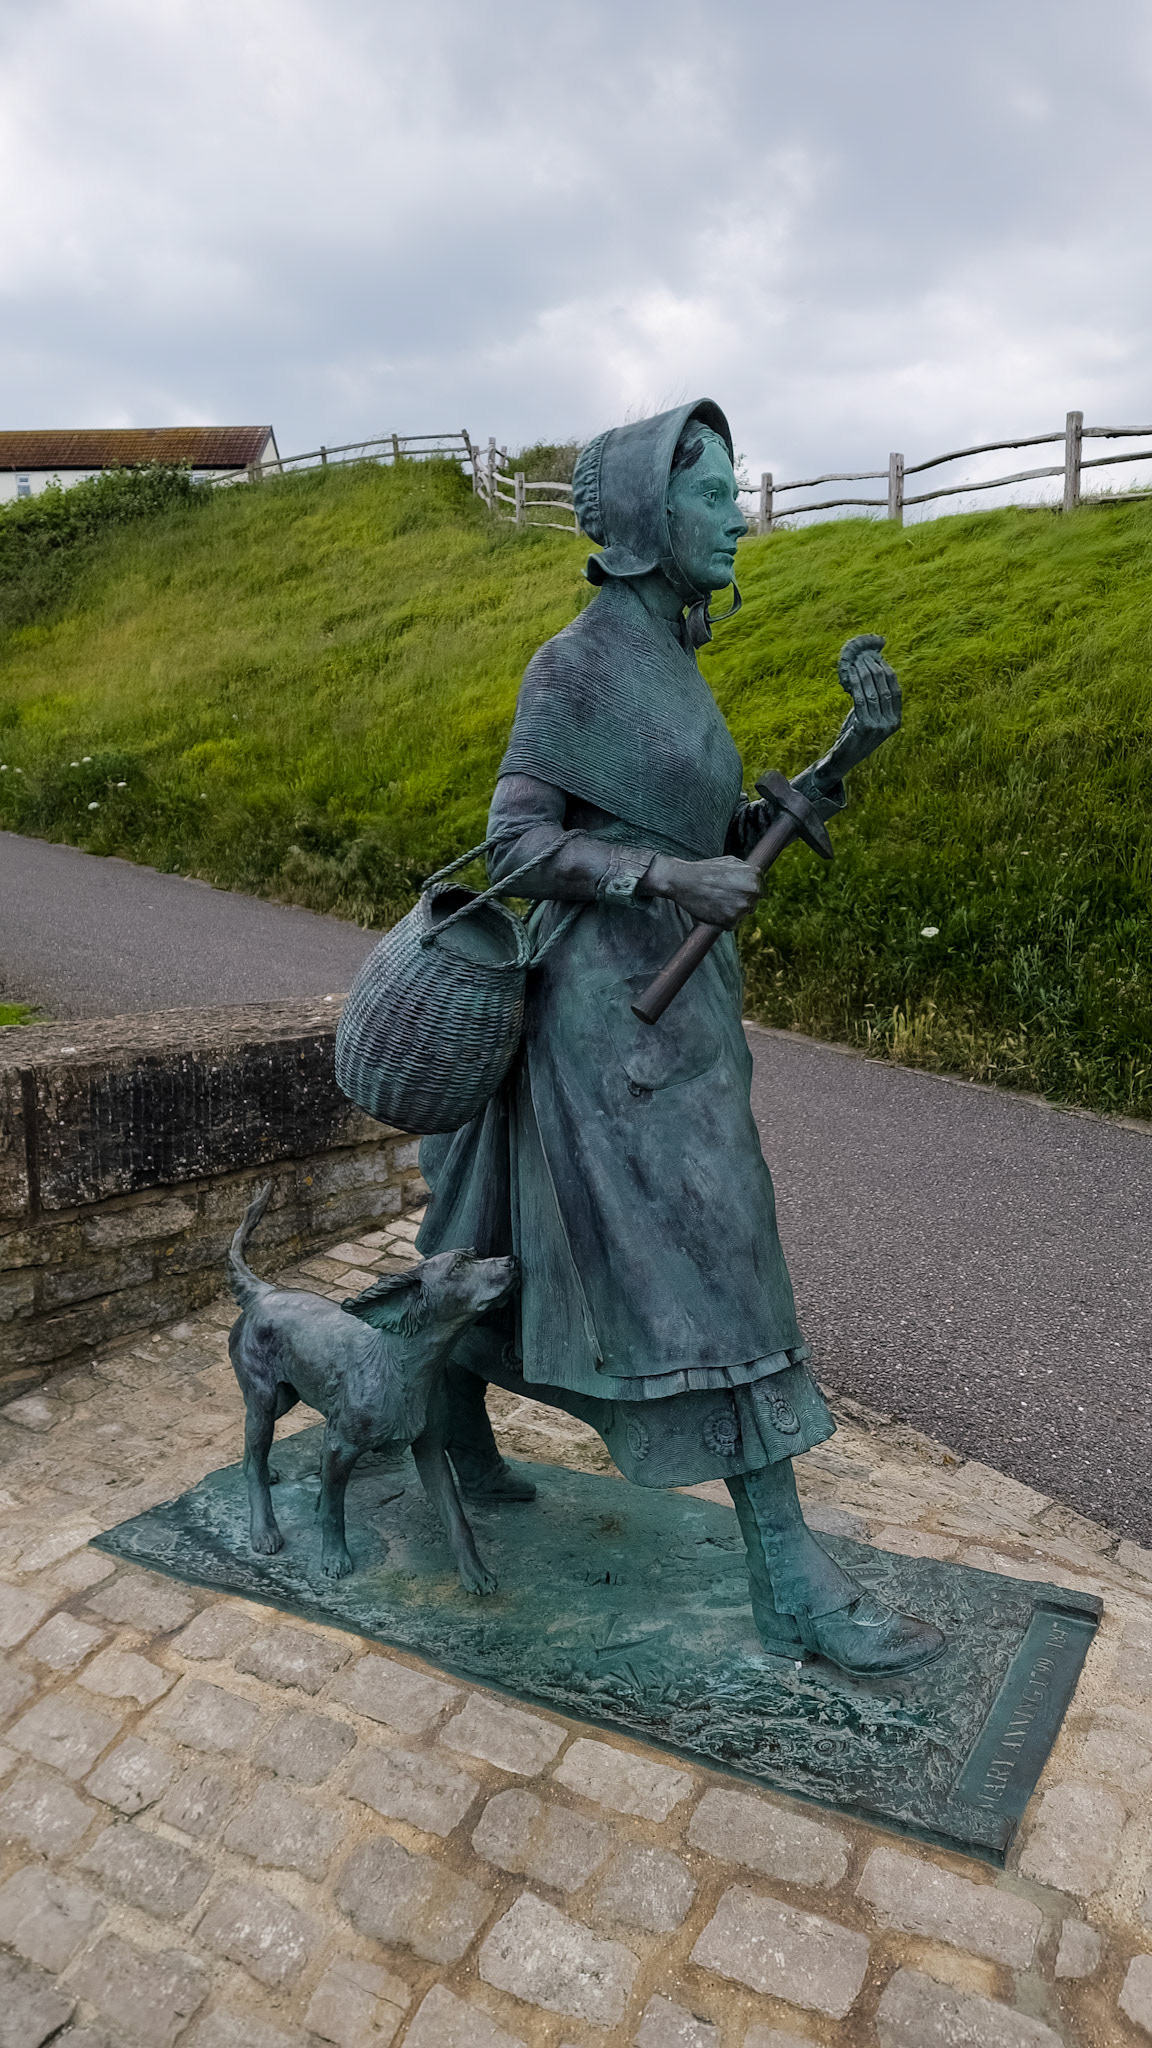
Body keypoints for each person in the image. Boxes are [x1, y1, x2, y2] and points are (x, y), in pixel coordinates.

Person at [417, 399, 943, 1676]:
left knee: (562, 1257)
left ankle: (441, 1391)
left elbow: (714, 842)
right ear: (654, 517)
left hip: (682, 1015)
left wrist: (842, 756)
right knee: (724, 1260)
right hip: (611, 1030)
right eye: (714, 493)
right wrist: (663, 885)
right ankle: (791, 1580)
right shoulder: (576, 664)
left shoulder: (672, 663)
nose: (738, 513)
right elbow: (514, 846)